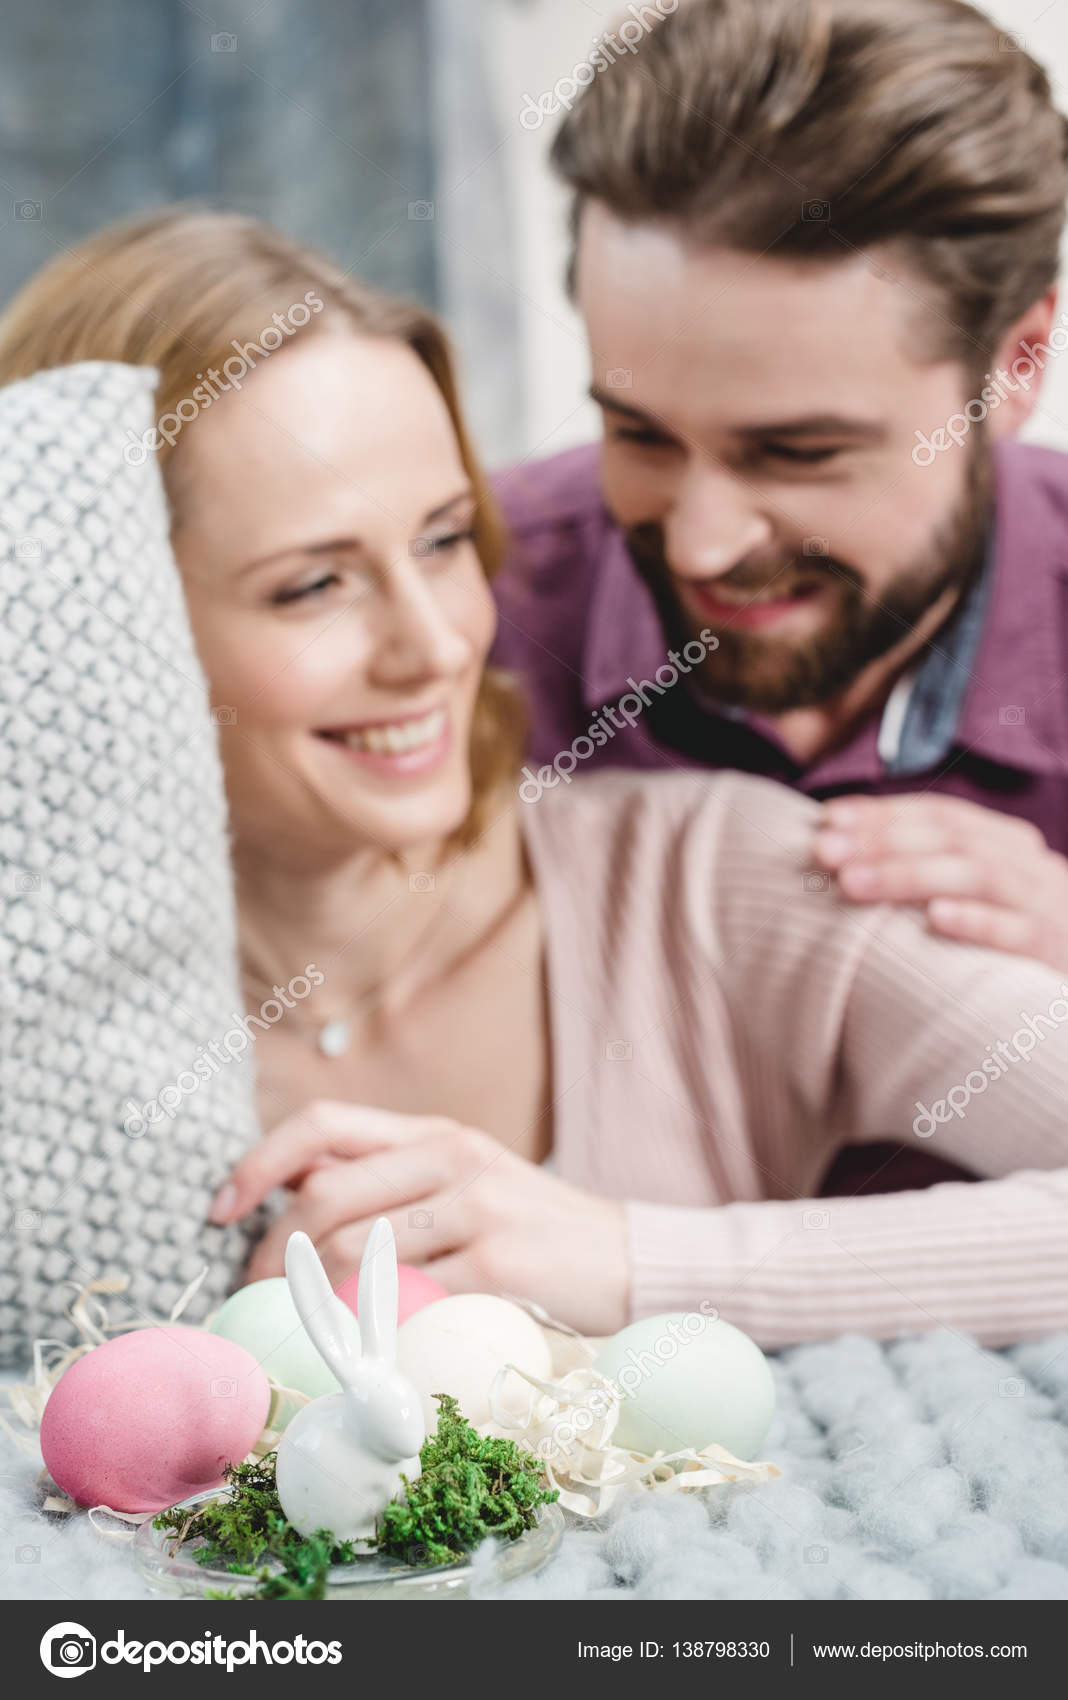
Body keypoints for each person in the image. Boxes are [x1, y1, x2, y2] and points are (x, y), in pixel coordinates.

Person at [2, 208, 1067, 1351]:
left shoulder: (715, 877)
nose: (439, 643)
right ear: (94, 627)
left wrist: (626, 1257)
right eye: (312, 585)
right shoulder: (46, 1045)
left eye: (445, 540)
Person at [492, 0, 1068, 981]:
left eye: (798, 453)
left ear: (1015, 364)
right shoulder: (460, 621)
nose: (698, 548)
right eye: (639, 434)